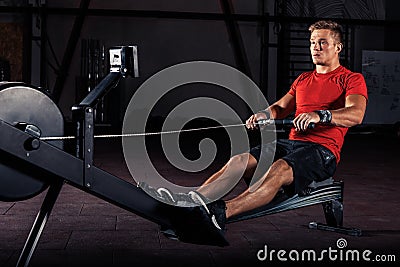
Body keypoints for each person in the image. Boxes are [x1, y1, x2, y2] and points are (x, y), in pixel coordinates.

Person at [141, 20, 368, 236]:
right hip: (291, 144)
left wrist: (320, 115)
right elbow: (280, 107)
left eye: (322, 42)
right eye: (312, 42)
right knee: (240, 161)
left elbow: (356, 114)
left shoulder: (351, 79)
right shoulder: (304, 79)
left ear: (338, 47)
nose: (315, 48)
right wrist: (263, 115)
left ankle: (221, 213)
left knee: (278, 169)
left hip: (322, 151)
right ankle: (190, 202)